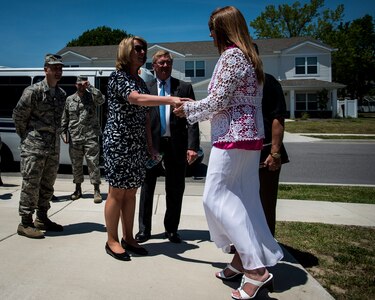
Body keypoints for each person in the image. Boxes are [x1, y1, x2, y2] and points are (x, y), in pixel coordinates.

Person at [174, 6, 283, 299]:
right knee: (246, 201)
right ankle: (239, 260)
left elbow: (218, 100)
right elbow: (229, 98)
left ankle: (255, 270)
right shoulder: (251, 57)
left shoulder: (232, 56)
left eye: (212, 29)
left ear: (222, 29)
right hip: (250, 140)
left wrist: (188, 110)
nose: (210, 35)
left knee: (215, 198)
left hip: (232, 139)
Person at [103, 36, 183, 261]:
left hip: (137, 145)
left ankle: (129, 237)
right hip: (119, 143)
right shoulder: (118, 77)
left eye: (143, 49)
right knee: (116, 192)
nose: (142, 52)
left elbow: (146, 117)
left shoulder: (138, 79)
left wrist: (149, 146)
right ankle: (112, 240)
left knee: (131, 192)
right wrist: (170, 100)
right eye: (137, 48)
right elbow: (136, 99)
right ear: (126, 51)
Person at [135, 50, 200, 244]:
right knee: (147, 188)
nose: (165, 66)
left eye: (168, 62)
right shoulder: (145, 88)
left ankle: (171, 230)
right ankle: (144, 230)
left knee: (175, 188)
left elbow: (193, 119)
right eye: (161, 63)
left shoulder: (184, 87)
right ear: (153, 66)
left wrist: (192, 146)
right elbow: (140, 119)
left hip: (176, 146)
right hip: (151, 145)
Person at [12, 54, 66, 239]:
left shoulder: (61, 94)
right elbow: (19, 116)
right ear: (46, 69)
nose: (58, 71)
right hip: (34, 147)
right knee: (31, 184)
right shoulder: (33, 92)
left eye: (60, 68)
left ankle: (42, 218)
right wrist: (27, 137)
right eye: (55, 68)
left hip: (52, 146)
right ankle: (25, 222)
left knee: (47, 184)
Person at [61, 76, 105, 204]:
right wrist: (63, 132)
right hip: (75, 137)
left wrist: (90, 87)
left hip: (90, 136)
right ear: (75, 85)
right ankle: (78, 189)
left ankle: (96, 190)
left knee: (93, 163)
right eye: (79, 84)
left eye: (83, 84)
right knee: (76, 164)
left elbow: (101, 100)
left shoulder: (92, 97)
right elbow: (65, 117)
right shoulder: (70, 99)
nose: (81, 86)